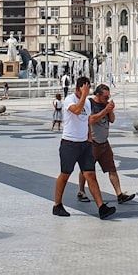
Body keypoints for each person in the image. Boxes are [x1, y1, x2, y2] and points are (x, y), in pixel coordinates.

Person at [52, 77, 115, 220]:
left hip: (85, 144)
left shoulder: (86, 102)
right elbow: (76, 110)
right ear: (79, 88)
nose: (88, 91)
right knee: (65, 174)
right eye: (85, 88)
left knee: (91, 175)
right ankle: (57, 205)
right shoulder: (69, 99)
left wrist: (89, 138)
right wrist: (85, 95)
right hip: (69, 143)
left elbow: (87, 121)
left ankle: (101, 207)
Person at [76, 84, 136, 206]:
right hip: (92, 143)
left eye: (108, 96)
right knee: (86, 169)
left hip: (104, 142)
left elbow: (112, 120)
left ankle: (119, 194)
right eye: (105, 97)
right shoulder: (89, 103)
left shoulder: (106, 105)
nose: (107, 99)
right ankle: (81, 191)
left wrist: (111, 110)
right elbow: (91, 119)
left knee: (112, 169)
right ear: (97, 95)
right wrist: (105, 110)